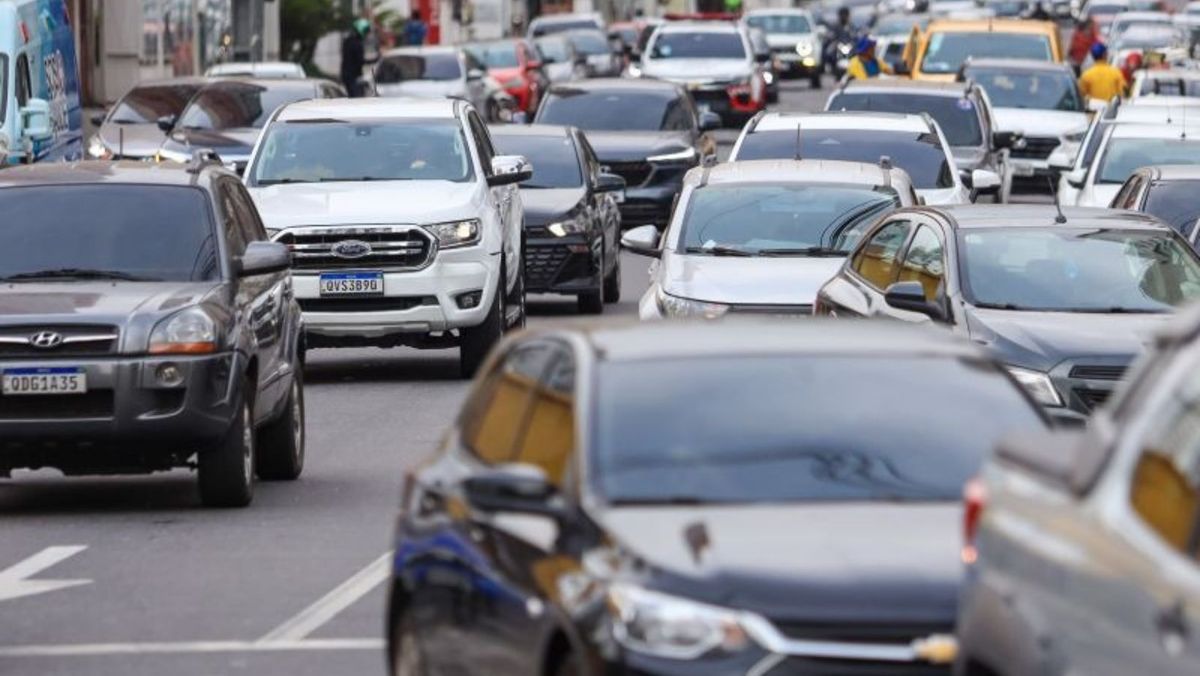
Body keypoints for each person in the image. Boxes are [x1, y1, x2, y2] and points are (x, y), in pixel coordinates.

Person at [341, 18, 370, 97]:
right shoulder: (357, 44)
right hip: (353, 77)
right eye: (366, 31)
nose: (367, 34)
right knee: (357, 99)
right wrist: (375, 59)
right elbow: (360, 61)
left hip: (346, 75)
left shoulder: (347, 41)